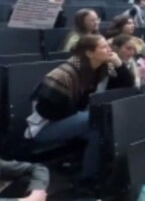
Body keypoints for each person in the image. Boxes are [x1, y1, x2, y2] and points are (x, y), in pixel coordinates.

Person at [26, 35, 135, 187]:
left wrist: (119, 64)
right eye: (104, 47)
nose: (110, 50)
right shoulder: (63, 74)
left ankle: (88, 176)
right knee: (98, 116)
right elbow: (46, 111)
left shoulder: (102, 69)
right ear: (90, 53)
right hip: (45, 128)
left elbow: (126, 87)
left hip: (80, 120)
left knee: (98, 131)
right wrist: (79, 111)